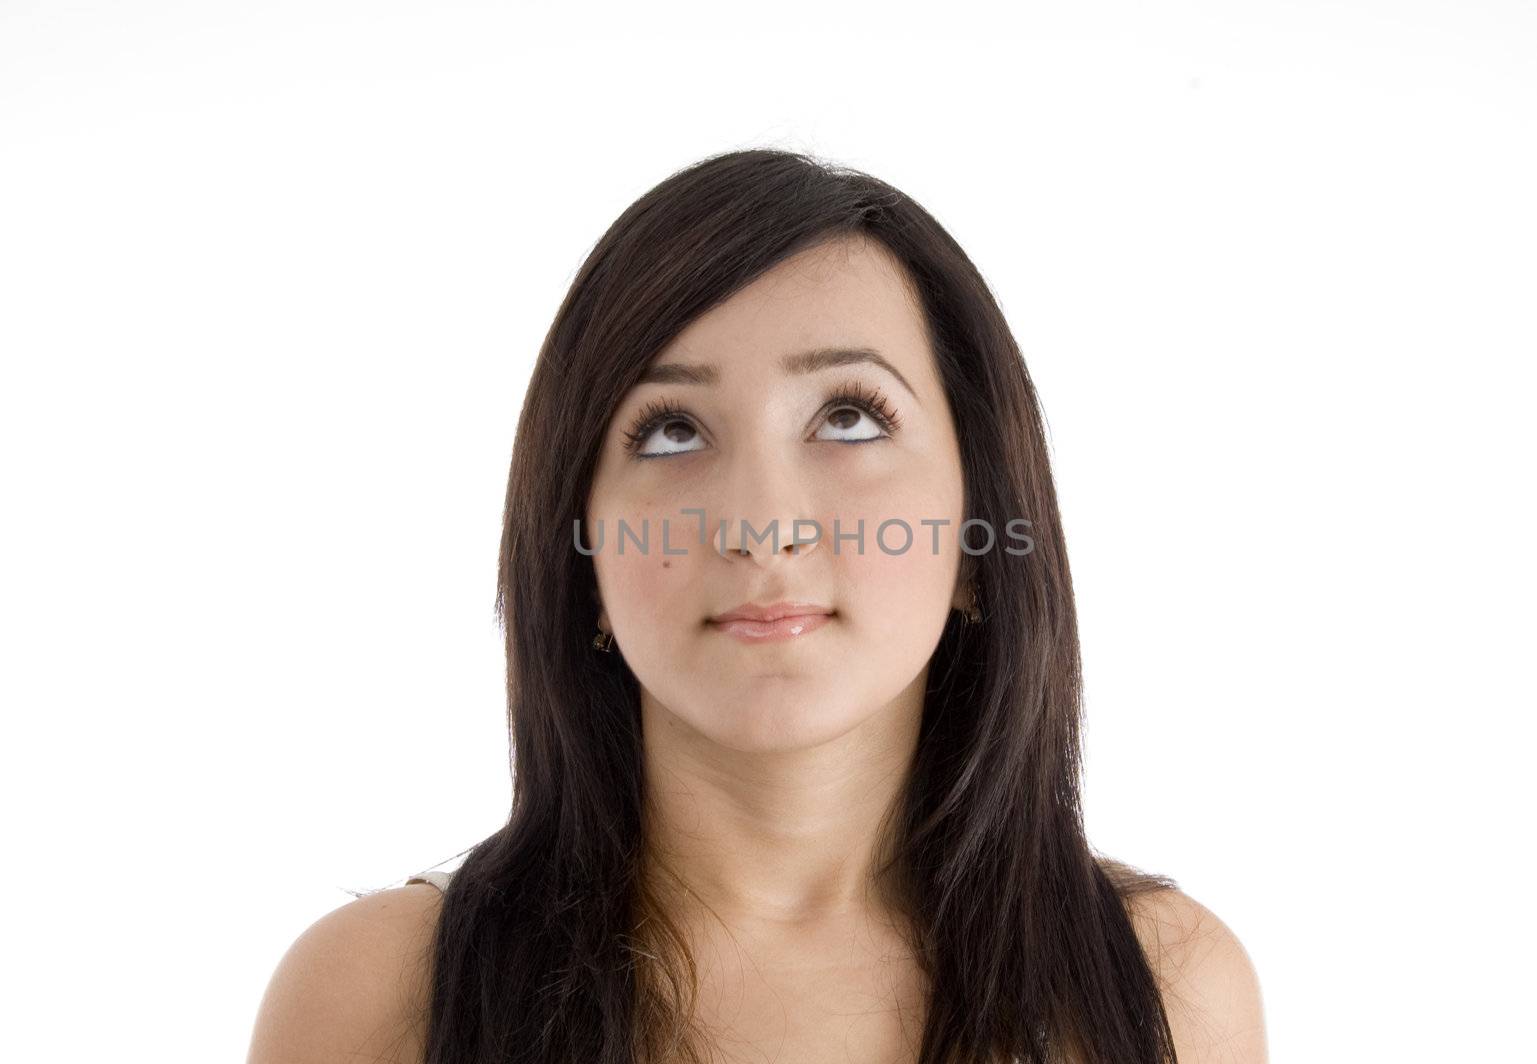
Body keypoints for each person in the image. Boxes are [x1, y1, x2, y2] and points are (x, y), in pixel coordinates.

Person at [247, 148, 1267, 1064]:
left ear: (975, 533)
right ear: (582, 552)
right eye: (670, 430)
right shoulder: (378, 1000)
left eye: (850, 416)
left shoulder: (1170, 993)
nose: (761, 522)